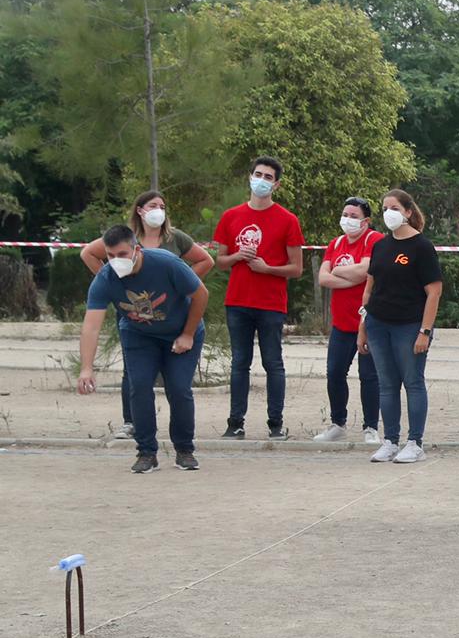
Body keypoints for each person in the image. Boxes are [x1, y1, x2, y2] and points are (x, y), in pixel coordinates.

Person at [80, 191, 214, 440]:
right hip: (139, 331)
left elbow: (201, 291)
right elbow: (91, 327)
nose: (115, 261)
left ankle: (184, 448)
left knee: (178, 388)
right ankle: (145, 448)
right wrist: (86, 368)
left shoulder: (168, 258)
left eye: (122, 255)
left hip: (177, 327)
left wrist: (187, 331)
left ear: (136, 250)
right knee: (138, 384)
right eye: (110, 256)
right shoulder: (106, 277)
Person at [212, 155, 304, 440]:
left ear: (276, 184)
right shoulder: (231, 216)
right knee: (240, 362)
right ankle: (235, 423)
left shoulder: (288, 220)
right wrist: (238, 256)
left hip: (270, 303)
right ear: (249, 177)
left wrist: (268, 268)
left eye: (268, 177)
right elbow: (220, 260)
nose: (261, 180)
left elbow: (297, 268)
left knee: (272, 363)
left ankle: (275, 424)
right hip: (238, 301)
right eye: (258, 174)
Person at [358, 189, 441, 464]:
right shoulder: (380, 245)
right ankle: (390, 440)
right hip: (378, 323)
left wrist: (424, 331)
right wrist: (364, 325)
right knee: (387, 384)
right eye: (384, 208)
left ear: (407, 211)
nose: (388, 213)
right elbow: (369, 288)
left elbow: (434, 291)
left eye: (394, 208)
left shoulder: (422, 247)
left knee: (412, 382)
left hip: (409, 325)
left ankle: (415, 442)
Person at [313, 197, 383, 444]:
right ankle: (337, 423)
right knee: (334, 372)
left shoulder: (373, 240)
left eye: (354, 216)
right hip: (341, 323)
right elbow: (323, 278)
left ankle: (371, 427)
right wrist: (352, 276)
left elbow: (366, 270)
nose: (348, 219)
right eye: (345, 214)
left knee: (369, 375)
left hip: (367, 321)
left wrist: (340, 272)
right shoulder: (336, 243)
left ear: (366, 221)